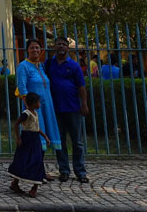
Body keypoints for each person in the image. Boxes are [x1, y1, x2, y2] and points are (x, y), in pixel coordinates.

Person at [45, 36, 90, 183]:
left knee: (77, 142)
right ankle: (64, 170)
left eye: (64, 45)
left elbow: (81, 86)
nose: (61, 47)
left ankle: (80, 171)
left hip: (73, 108)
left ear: (68, 48)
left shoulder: (74, 66)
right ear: (54, 47)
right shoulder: (49, 64)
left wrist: (84, 104)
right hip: (56, 109)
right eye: (59, 44)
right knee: (60, 141)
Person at [15, 39, 62, 155]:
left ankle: (38, 169)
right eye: (32, 47)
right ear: (27, 50)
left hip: (46, 106)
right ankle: (32, 169)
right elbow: (22, 88)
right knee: (35, 137)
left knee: (44, 138)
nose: (35, 50)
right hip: (34, 109)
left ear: (41, 50)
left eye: (37, 47)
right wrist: (30, 110)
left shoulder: (41, 66)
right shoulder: (23, 66)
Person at [8, 92, 50, 198]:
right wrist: (18, 138)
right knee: (22, 160)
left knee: (38, 161)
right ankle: (15, 183)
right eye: (38, 102)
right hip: (27, 139)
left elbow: (36, 127)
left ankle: (34, 188)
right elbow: (16, 124)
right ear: (33, 103)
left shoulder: (35, 113)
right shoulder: (26, 113)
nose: (39, 104)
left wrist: (44, 136)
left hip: (35, 140)